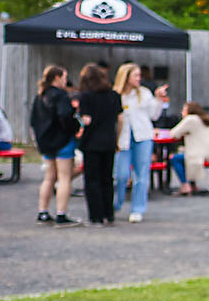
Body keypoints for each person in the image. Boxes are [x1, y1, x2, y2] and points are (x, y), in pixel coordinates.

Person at [30, 65, 80, 225]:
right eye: (65, 77)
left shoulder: (40, 96)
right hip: (63, 140)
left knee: (49, 177)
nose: (66, 80)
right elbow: (65, 116)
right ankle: (61, 214)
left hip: (46, 141)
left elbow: (33, 120)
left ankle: (43, 212)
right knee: (64, 178)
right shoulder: (61, 96)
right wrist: (75, 127)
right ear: (57, 78)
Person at [113, 62, 161, 223]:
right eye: (136, 75)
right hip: (123, 139)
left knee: (141, 174)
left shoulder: (144, 93)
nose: (139, 78)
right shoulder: (117, 95)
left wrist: (158, 99)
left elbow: (154, 115)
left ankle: (137, 208)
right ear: (126, 77)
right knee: (121, 175)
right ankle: (116, 203)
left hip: (143, 136)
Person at [74, 63, 121, 225]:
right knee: (107, 179)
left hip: (91, 142)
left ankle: (96, 216)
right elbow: (118, 119)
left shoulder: (86, 96)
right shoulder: (114, 95)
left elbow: (86, 120)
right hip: (109, 141)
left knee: (92, 180)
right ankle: (110, 214)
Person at [164, 102, 209, 195]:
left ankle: (185, 185)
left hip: (201, 153)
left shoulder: (190, 119)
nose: (182, 112)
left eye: (184, 109)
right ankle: (192, 184)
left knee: (175, 159)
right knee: (184, 157)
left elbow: (173, 133)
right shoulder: (202, 119)